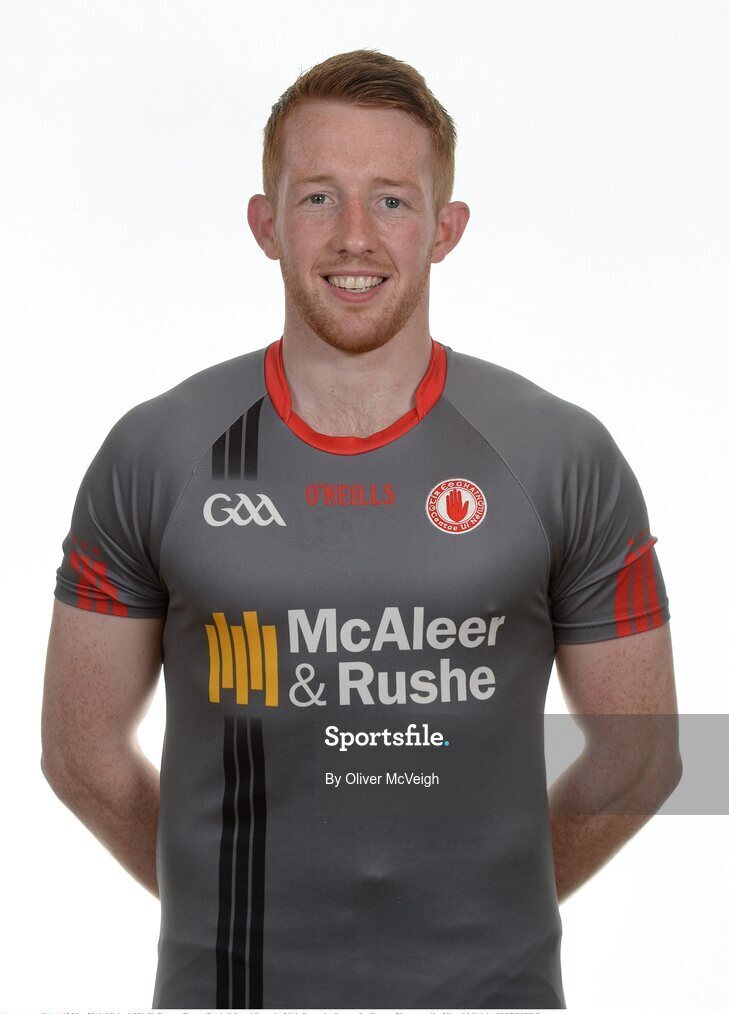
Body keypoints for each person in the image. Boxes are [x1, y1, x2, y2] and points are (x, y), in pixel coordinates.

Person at [40, 48, 682, 1009]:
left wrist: (482, 914)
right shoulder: (156, 453)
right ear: (264, 223)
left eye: (390, 200)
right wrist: (231, 913)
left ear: (445, 229)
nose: (353, 237)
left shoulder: (560, 455)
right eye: (316, 198)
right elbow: (78, 756)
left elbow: (647, 754)